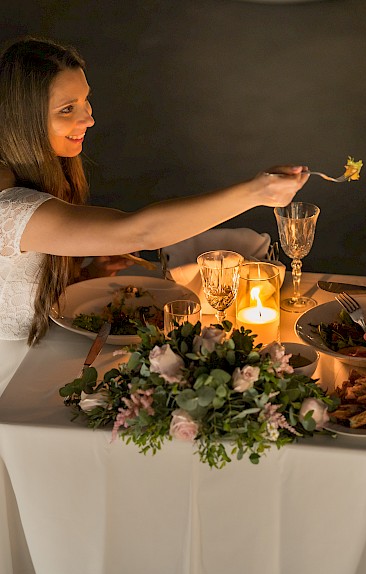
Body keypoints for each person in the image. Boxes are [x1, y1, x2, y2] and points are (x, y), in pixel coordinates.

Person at [0, 36, 308, 395]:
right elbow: (140, 232)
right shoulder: (10, 208)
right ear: (23, 118)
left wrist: (86, 275)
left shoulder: (30, 173)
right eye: (67, 109)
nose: (90, 118)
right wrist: (255, 192)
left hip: (46, 362)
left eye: (86, 101)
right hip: (13, 384)